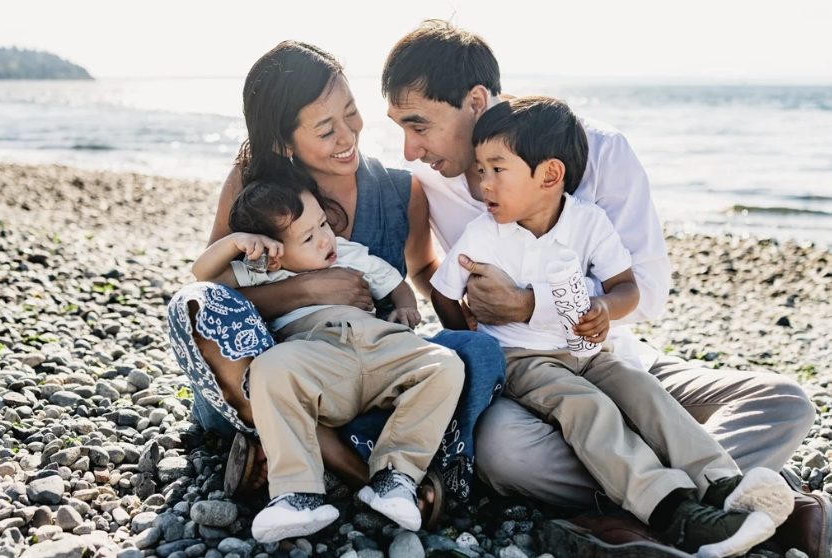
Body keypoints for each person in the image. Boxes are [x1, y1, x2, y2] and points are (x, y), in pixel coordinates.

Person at [381, 20, 826, 557]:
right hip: (527, 376)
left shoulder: (601, 150)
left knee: (785, 403)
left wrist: (532, 303)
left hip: (612, 356)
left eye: (419, 126)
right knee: (504, 451)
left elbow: (646, 289)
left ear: (475, 101)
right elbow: (427, 271)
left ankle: (651, 511)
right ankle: (713, 504)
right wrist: (470, 321)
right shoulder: (430, 178)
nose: (410, 150)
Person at [165, 39, 505, 529]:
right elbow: (216, 292)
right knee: (192, 306)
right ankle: (364, 471)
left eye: (351, 113)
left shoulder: (400, 190)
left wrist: (472, 303)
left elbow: (423, 270)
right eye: (326, 129)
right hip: (279, 376)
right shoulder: (256, 189)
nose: (348, 136)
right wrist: (309, 290)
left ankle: (289, 455)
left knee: (477, 354)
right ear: (283, 143)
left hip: (371, 372)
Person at [191, 177, 465, 540]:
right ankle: (297, 493)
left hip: (381, 346)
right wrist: (234, 242)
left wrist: (404, 307)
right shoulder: (262, 270)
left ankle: (395, 477)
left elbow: (396, 284)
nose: (325, 239)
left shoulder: (349, 252)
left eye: (322, 223)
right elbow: (203, 277)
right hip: (318, 357)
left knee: (446, 365)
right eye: (308, 238)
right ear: (274, 252)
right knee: (269, 368)